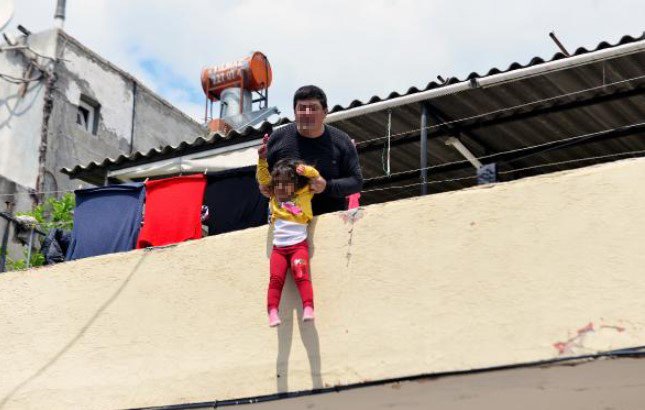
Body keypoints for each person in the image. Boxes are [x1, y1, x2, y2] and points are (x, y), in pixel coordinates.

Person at [258, 85, 363, 216]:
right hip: (286, 222)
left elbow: (356, 182)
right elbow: (265, 177)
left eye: (313, 108)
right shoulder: (277, 138)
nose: (307, 113)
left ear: (325, 112)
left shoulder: (341, 141)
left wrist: (326, 186)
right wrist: (264, 186)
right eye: (302, 108)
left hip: (330, 221)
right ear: (294, 112)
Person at [256, 154, 321, 327]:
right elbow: (263, 179)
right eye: (277, 184)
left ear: (295, 185)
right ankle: (272, 311)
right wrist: (262, 159)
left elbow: (315, 177)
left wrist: (305, 170)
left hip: (298, 247)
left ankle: (308, 307)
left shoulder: (304, 195)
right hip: (279, 250)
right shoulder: (274, 198)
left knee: (302, 276)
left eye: (286, 183)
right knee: (275, 280)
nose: (281, 188)